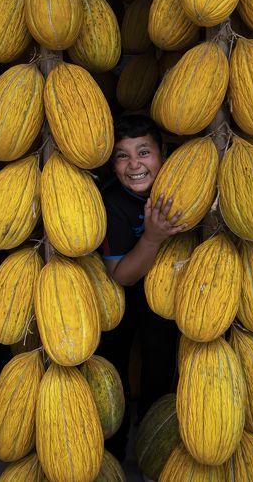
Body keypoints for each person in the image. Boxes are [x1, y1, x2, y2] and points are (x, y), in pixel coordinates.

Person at [96, 113, 187, 463]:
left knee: (160, 365)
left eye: (144, 152)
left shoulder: (183, 184)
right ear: (113, 163)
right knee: (114, 367)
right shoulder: (112, 203)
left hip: (163, 297)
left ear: (164, 153)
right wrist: (152, 237)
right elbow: (121, 276)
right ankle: (114, 451)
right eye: (122, 155)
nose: (134, 164)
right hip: (120, 296)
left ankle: (153, 448)